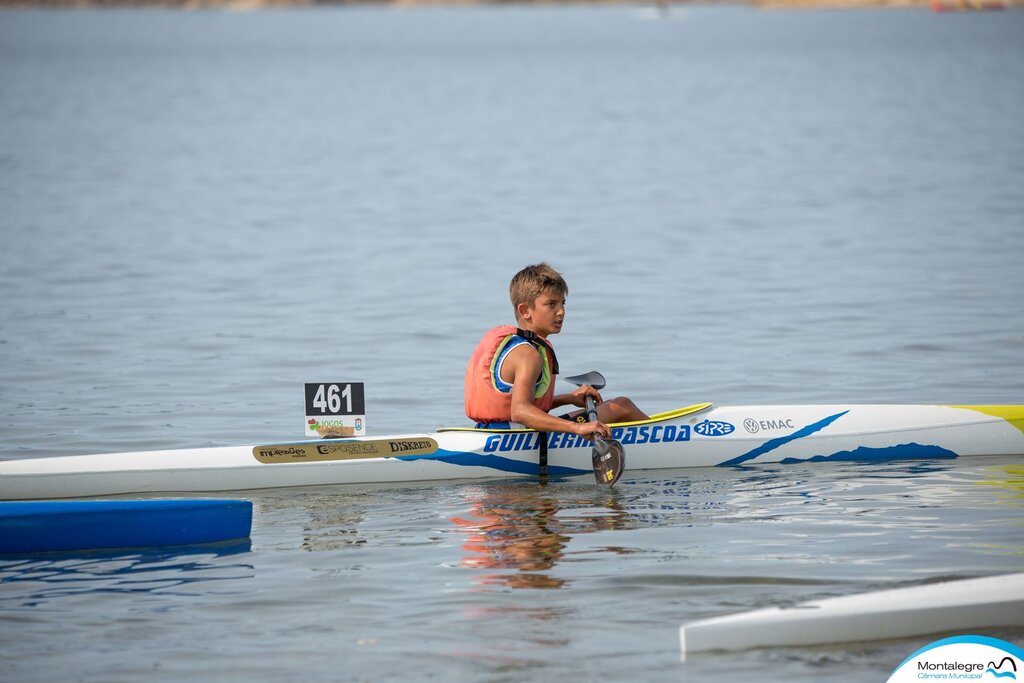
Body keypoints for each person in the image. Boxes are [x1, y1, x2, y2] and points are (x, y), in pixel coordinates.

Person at [464, 263, 648, 441]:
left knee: (615, 405)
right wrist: (577, 428)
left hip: (494, 433)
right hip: (518, 439)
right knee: (622, 406)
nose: (561, 312)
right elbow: (520, 412)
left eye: (563, 304)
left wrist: (568, 398)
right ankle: (666, 440)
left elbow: (519, 404)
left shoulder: (515, 346)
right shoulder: (528, 355)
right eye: (551, 304)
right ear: (525, 310)